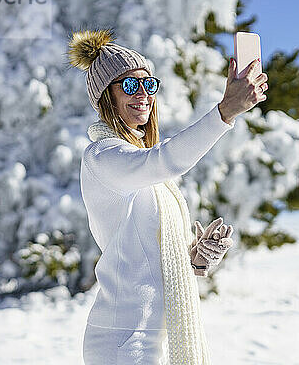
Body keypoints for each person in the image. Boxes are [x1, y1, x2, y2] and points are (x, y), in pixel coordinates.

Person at [66, 28, 269, 365]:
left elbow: (150, 259)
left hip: (157, 338)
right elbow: (165, 160)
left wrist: (197, 256)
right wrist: (225, 113)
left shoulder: (145, 174)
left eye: (149, 84)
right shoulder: (104, 157)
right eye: (130, 85)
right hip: (123, 340)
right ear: (106, 96)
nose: (143, 94)